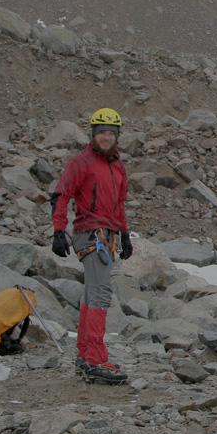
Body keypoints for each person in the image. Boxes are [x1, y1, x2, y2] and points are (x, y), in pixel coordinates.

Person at [50, 107, 133, 384]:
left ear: (117, 136)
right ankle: (96, 359)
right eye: (102, 133)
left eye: (111, 133)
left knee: (91, 293)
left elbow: (119, 204)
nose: (106, 137)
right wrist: (59, 231)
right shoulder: (81, 162)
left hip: (107, 237)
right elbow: (61, 195)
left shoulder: (117, 166)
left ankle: (84, 356)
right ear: (93, 135)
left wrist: (124, 234)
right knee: (100, 293)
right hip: (90, 235)